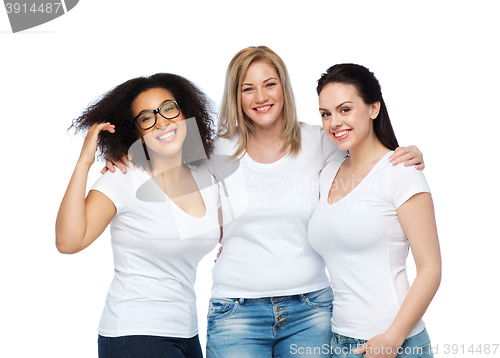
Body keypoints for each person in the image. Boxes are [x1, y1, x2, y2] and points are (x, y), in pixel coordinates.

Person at [106, 46, 425, 357]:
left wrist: (407, 152)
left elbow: (368, 153)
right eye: (248, 88)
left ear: (284, 88)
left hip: (310, 311)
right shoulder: (215, 148)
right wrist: (116, 153)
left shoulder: (320, 141)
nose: (261, 97)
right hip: (235, 313)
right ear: (236, 96)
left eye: (269, 84)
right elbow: (157, 144)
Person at [55, 73, 222, 358]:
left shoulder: (205, 174)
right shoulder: (124, 178)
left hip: (186, 333)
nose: (162, 122)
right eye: (147, 118)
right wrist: (84, 161)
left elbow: (224, 230)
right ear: (136, 132)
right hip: (135, 333)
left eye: (169, 109)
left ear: (185, 112)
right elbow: (69, 242)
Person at [308, 64, 441, 358]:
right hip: (337, 341)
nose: (333, 122)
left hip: (395, 343)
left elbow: (431, 269)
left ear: (373, 108)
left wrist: (392, 339)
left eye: (345, 109)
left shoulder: (401, 171)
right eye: (325, 114)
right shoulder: (327, 172)